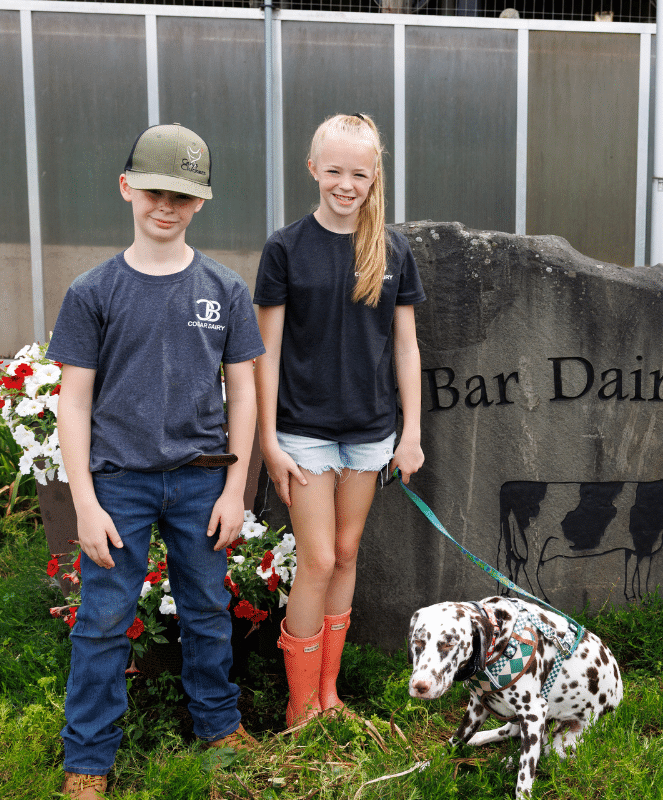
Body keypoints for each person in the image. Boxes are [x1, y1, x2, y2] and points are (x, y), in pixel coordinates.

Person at [51, 124, 264, 799]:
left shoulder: (225, 289)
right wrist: (85, 502)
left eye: (182, 195)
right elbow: (74, 402)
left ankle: (219, 726)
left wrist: (236, 491)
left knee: (206, 608)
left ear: (201, 202)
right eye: (153, 192)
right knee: (104, 620)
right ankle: (87, 760)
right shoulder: (93, 291)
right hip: (120, 485)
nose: (165, 207)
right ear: (126, 189)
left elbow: (246, 395)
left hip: (203, 482)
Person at [254, 113, 426, 727]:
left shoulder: (394, 250)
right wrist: (269, 442)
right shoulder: (286, 248)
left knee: (348, 554)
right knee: (319, 560)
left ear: (376, 174)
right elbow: (264, 352)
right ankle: (301, 709)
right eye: (333, 170)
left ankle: (329, 695)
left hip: (371, 434)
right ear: (312, 168)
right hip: (303, 434)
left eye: (358, 172)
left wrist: (411, 435)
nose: (345, 184)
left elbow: (405, 347)